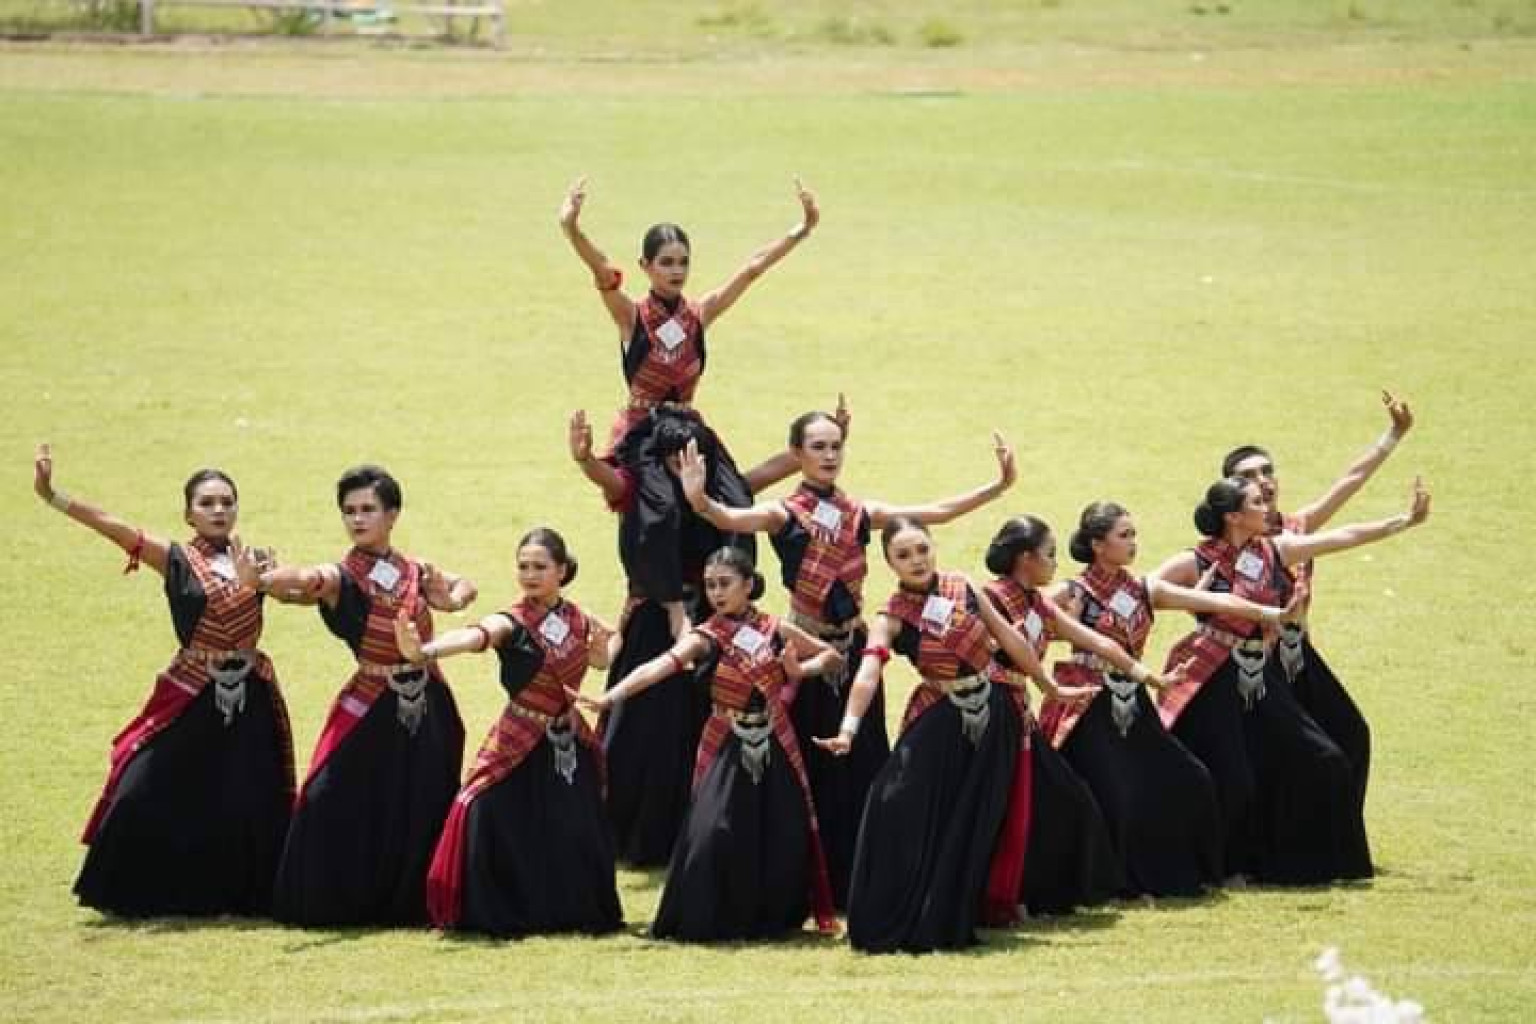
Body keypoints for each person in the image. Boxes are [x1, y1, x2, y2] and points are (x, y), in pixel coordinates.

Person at [680, 413, 1017, 907]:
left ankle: (861, 877)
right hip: (802, 652)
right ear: (798, 453)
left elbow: (936, 512)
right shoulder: (784, 513)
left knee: (862, 761)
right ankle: (800, 882)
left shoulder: (859, 512)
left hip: (853, 648)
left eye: (835, 445)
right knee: (803, 769)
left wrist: (997, 486)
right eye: (818, 446)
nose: (829, 455)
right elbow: (731, 519)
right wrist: (699, 500)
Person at [35, 444, 294, 917]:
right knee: (142, 783)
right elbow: (112, 526)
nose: (218, 510)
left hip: (249, 692)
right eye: (207, 503)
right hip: (193, 688)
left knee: (247, 795)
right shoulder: (175, 558)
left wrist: (262, 582)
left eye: (226, 502)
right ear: (189, 514)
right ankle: (130, 889)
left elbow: (299, 589)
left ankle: (248, 896)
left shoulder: (255, 559)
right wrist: (53, 495)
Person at [1154, 475, 1430, 884]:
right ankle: (1224, 869)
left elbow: (1340, 537)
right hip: (1212, 676)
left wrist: (1403, 521)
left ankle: (1310, 864)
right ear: (1233, 517)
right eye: (1256, 502)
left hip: (1261, 673)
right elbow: (1148, 592)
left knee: (1323, 759)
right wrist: (1199, 599)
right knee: (1233, 779)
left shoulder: (1273, 550)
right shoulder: (1195, 561)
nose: (1267, 506)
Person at [817, 518, 1066, 953]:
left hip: (994, 714)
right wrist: (848, 729)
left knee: (972, 817)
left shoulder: (963, 587)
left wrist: (1048, 686)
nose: (916, 560)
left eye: (922, 549)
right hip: (941, 711)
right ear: (889, 562)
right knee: (892, 800)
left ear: (933, 547)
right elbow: (868, 671)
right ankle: (898, 912)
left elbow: (1009, 640)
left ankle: (961, 908)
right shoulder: (891, 616)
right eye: (903, 555)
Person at [572, 548, 841, 942]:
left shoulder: (775, 628)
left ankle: (774, 917)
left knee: (781, 828)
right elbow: (660, 666)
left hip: (775, 740)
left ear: (748, 585)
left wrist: (801, 669)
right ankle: (707, 914)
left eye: (725, 583)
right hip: (727, 740)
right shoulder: (706, 636)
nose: (716, 593)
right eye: (711, 585)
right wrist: (613, 696)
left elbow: (830, 655)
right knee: (713, 829)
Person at [249, 464, 476, 926]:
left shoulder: (414, 569)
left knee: (423, 799)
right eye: (349, 511)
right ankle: (330, 898)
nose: (357, 519)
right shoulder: (341, 576)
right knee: (330, 795)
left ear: (392, 515)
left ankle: (417, 900)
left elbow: (463, 585)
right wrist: (266, 581)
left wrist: (453, 598)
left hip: (428, 700)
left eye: (367, 509)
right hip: (372, 700)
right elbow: (304, 583)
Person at [1032, 505, 1290, 898]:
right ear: (1098, 545)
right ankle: (1112, 882)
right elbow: (1023, 627)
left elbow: (1218, 603)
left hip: (1133, 700)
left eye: (1133, 534)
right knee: (1117, 792)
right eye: (1124, 535)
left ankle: (1192, 871)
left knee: (1190, 779)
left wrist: (1270, 612)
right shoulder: (1072, 593)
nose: (1133, 543)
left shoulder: (1145, 589)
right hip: (1089, 706)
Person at [398, 528, 622, 938]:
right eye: (523, 567)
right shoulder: (511, 621)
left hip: (567, 737)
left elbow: (605, 650)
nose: (530, 575)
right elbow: (474, 637)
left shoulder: (576, 617)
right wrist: (425, 651)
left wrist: (601, 654)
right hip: (521, 734)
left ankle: (571, 909)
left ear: (562, 571)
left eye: (540, 567)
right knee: (483, 811)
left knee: (576, 827)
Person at [1221, 390, 1415, 821]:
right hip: (1258, 665)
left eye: (1268, 471)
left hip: (1299, 656)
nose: (1264, 480)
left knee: (1352, 735)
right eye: (1249, 476)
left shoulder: (1297, 527)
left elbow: (1350, 482)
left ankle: (1339, 836)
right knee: (1299, 756)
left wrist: (1394, 434)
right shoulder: (1230, 547)